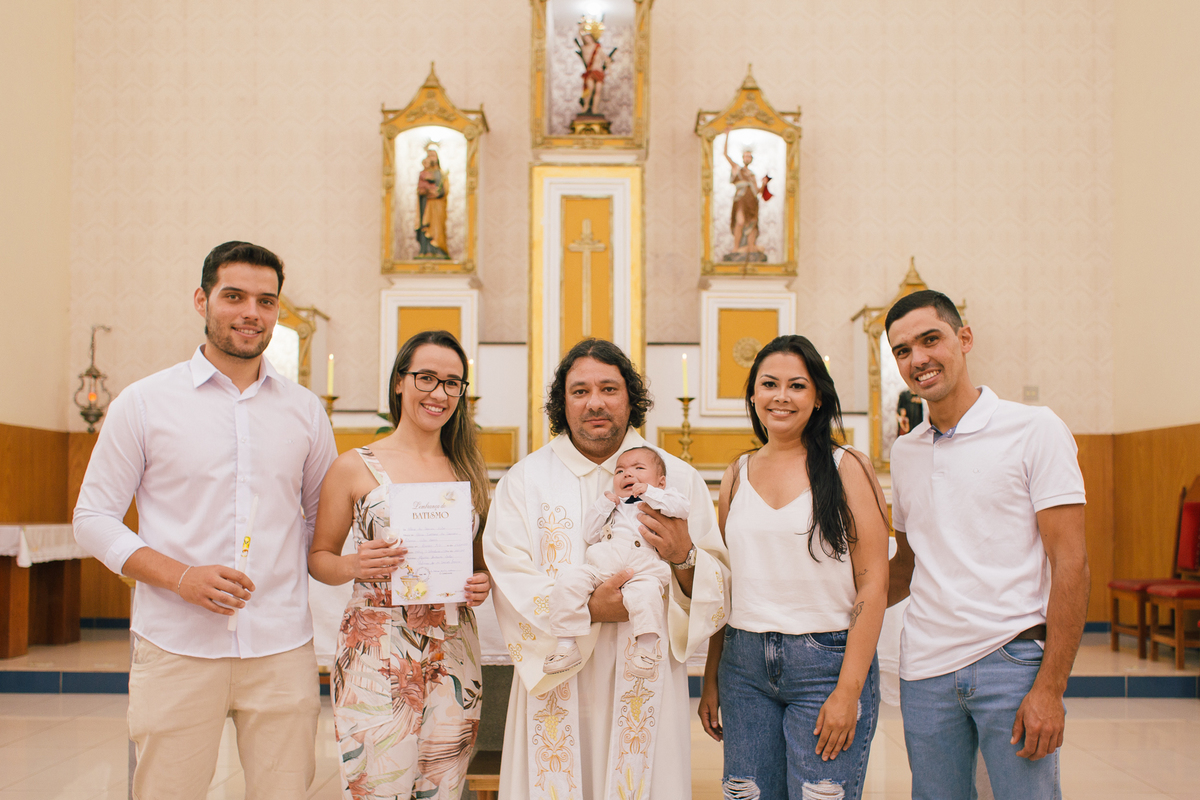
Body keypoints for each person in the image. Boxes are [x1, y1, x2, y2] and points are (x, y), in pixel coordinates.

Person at [73, 241, 338, 799]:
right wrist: (181, 577)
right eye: (233, 296)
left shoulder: (305, 412)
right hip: (176, 642)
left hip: (280, 645)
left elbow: (325, 527)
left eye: (266, 301)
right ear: (202, 300)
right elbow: (93, 517)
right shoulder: (144, 403)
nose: (251, 313)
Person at [483, 338, 729, 800]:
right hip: (557, 673)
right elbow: (506, 571)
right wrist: (592, 608)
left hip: (647, 671)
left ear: (631, 398)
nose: (595, 402)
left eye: (609, 389)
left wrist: (683, 556)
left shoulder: (677, 479)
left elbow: (717, 584)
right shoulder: (525, 480)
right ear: (562, 403)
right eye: (580, 391)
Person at [885, 290, 1089, 800]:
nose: (918, 359)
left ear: (965, 338)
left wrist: (1051, 687)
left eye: (930, 340)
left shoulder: (1034, 429)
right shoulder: (905, 452)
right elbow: (906, 566)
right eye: (903, 350)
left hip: (1011, 660)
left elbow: (1071, 563)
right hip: (926, 670)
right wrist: (821, 608)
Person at [698, 335, 890, 800]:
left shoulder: (847, 466)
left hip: (826, 664)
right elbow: (725, 584)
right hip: (743, 667)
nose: (781, 396)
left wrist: (849, 691)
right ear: (753, 395)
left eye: (797, 385)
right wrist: (711, 676)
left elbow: (874, 583)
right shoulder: (736, 474)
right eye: (769, 384)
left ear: (818, 397)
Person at [308, 330, 492, 800]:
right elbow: (319, 559)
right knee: (378, 787)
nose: (439, 393)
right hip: (377, 648)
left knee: (443, 788)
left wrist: (481, 583)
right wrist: (355, 564)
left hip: (453, 649)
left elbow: (478, 564)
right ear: (399, 382)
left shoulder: (466, 469)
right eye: (426, 378)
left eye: (452, 383)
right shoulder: (355, 466)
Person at [543, 446, 689, 678]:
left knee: (647, 595)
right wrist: (604, 506)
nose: (627, 474)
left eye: (638, 468)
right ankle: (566, 644)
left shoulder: (663, 500)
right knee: (568, 581)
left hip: (643, 569)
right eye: (620, 471)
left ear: (661, 482)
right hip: (603, 566)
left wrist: (651, 493)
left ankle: (646, 650)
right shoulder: (613, 506)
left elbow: (682, 508)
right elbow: (590, 535)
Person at [723, 128, 771, 259]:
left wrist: (764, 184)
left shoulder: (752, 175)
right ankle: (736, 248)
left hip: (752, 203)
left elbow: (757, 192)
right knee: (740, 222)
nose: (747, 158)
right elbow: (725, 154)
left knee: (752, 225)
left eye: (749, 156)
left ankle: (751, 248)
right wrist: (727, 135)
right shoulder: (738, 169)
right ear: (743, 157)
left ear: (752, 158)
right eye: (746, 156)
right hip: (741, 201)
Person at [416, 147, 449, 259]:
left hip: (438, 205)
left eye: (433, 156)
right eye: (429, 156)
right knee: (426, 224)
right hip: (427, 205)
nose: (431, 158)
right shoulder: (424, 174)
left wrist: (437, 193)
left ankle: (439, 250)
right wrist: (425, 191)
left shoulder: (441, 173)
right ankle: (426, 250)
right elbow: (420, 190)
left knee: (437, 227)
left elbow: (444, 189)